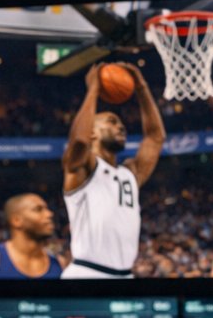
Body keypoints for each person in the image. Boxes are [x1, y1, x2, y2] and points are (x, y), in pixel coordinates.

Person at [59, 61, 165, 278]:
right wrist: (94, 89)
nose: (121, 126)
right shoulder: (83, 169)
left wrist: (142, 88)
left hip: (126, 275)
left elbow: (155, 138)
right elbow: (79, 140)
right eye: (111, 122)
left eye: (121, 124)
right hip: (86, 273)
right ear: (93, 132)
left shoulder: (130, 174)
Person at [0, 192, 64, 279]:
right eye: (38, 209)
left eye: (47, 209)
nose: (49, 214)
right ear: (16, 220)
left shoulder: (60, 263)